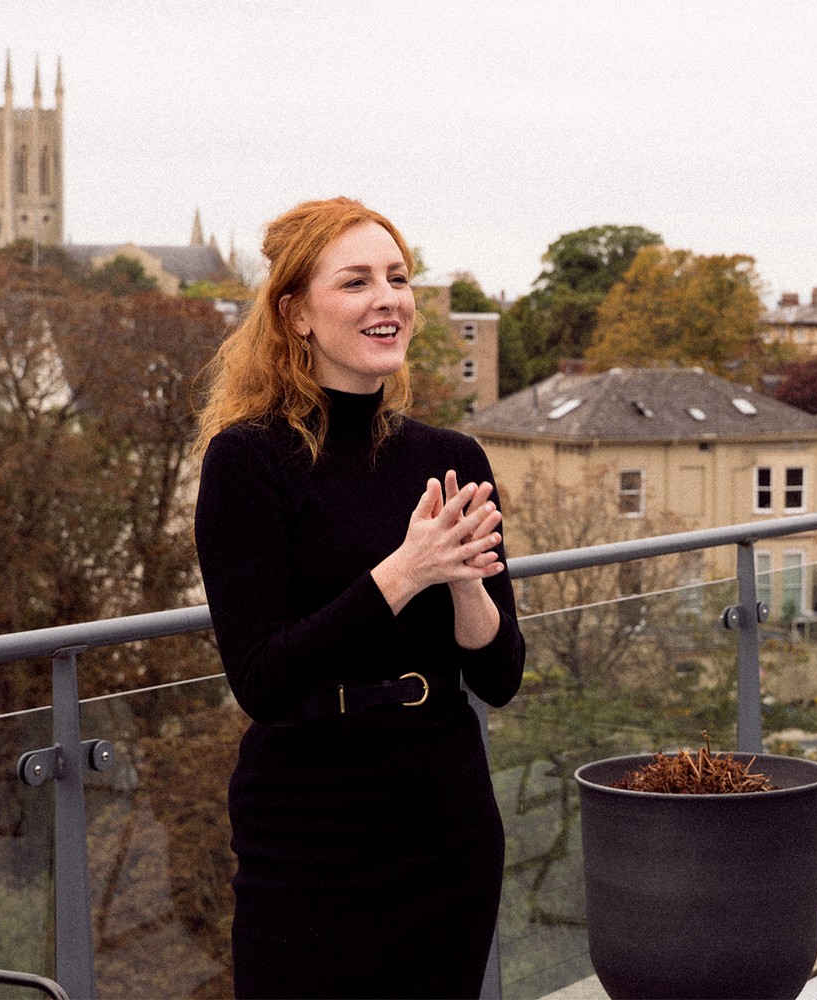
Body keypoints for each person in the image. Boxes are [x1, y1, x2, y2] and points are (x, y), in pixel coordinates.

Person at [194, 197, 525, 998]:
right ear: (296, 314)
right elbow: (263, 680)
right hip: (311, 831)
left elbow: (501, 676)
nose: (389, 298)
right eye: (355, 281)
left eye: (399, 277)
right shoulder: (248, 460)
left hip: (444, 815)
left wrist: (464, 584)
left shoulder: (450, 453)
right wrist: (404, 571)